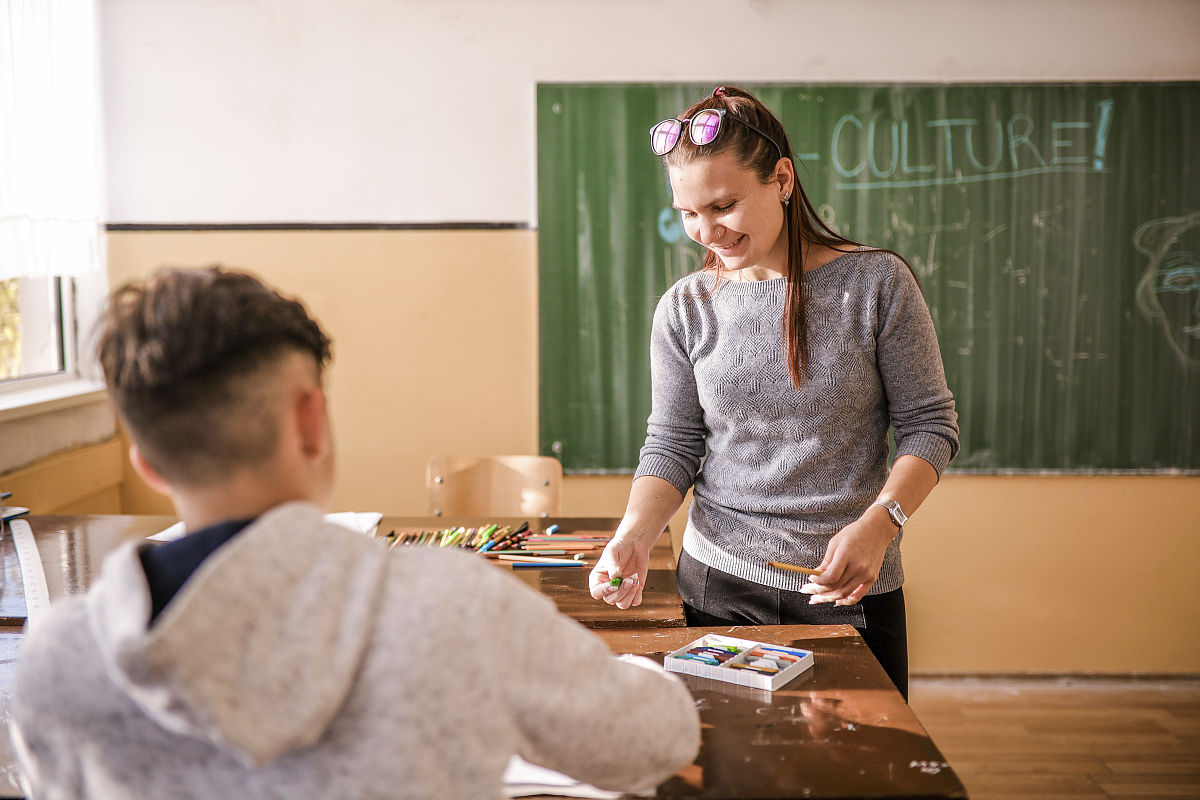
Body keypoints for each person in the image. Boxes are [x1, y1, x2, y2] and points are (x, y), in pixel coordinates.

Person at [12, 266, 700, 799]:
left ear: (148, 463)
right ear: (311, 422)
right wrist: (634, 672)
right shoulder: (453, 606)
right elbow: (658, 737)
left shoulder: (55, 664)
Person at [589, 87, 960, 701]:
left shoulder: (875, 284)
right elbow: (673, 443)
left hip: (845, 591)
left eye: (724, 205)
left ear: (782, 178)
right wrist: (634, 534)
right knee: (728, 774)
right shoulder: (685, 307)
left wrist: (882, 523)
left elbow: (930, 426)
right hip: (716, 588)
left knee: (860, 774)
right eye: (688, 213)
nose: (706, 232)